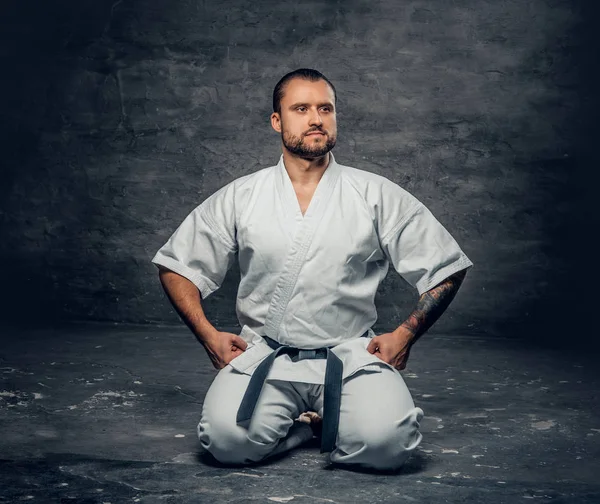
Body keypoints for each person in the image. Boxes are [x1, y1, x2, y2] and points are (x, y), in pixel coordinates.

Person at [152, 68, 473, 471]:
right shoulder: (243, 195)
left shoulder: (374, 194)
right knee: (226, 443)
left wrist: (406, 333)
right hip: (267, 353)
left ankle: (334, 423)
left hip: (351, 354)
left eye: (325, 108)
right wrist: (208, 336)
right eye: (300, 108)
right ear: (277, 121)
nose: (315, 118)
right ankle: (308, 429)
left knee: (387, 447)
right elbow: (176, 265)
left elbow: (446, 265)